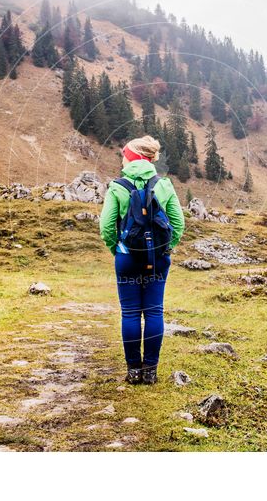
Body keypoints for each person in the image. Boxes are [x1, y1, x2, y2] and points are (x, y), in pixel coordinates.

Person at [99, 135, 185, 385]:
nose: (122, 159)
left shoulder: (117, 186)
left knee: (130, 313)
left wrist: (117, 249)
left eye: (124, 155)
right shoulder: (165, 185)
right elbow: (178, 224)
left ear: (133, 156)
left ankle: (133, 370)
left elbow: (106, 226)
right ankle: (150, 371)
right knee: (154, 311)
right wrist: (165, 248)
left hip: (127, 258)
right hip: (157, 259)